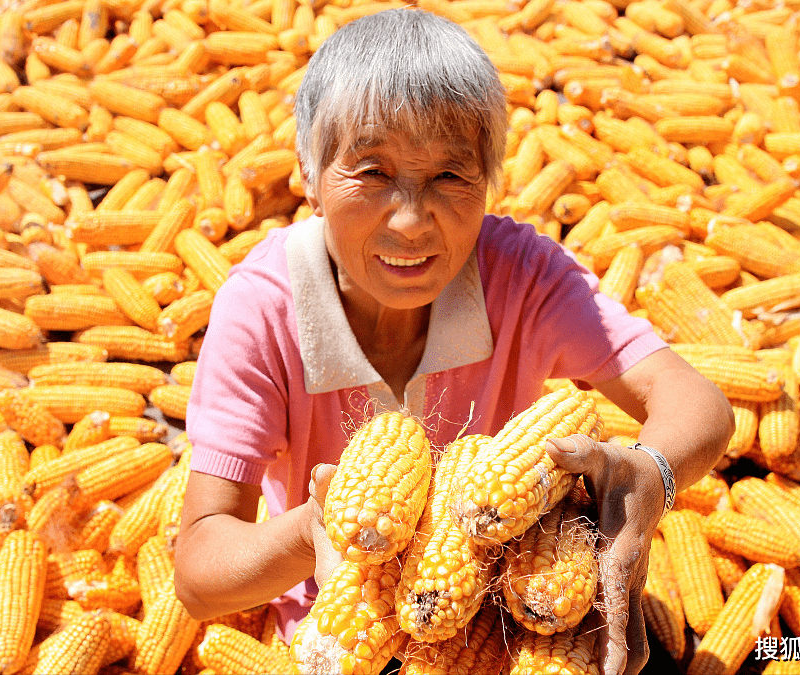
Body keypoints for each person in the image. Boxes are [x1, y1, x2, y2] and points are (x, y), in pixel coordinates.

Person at [173, 9, 734, 675]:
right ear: (309, 172)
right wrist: (311, 529)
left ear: (491, 177)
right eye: (373, 171)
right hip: (341, 626)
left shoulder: (520, 273)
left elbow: (696, 402)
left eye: (448, 176)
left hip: (506, 610)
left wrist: (654, 473)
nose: (411, 221)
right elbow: (199, 569)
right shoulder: (262, 309)